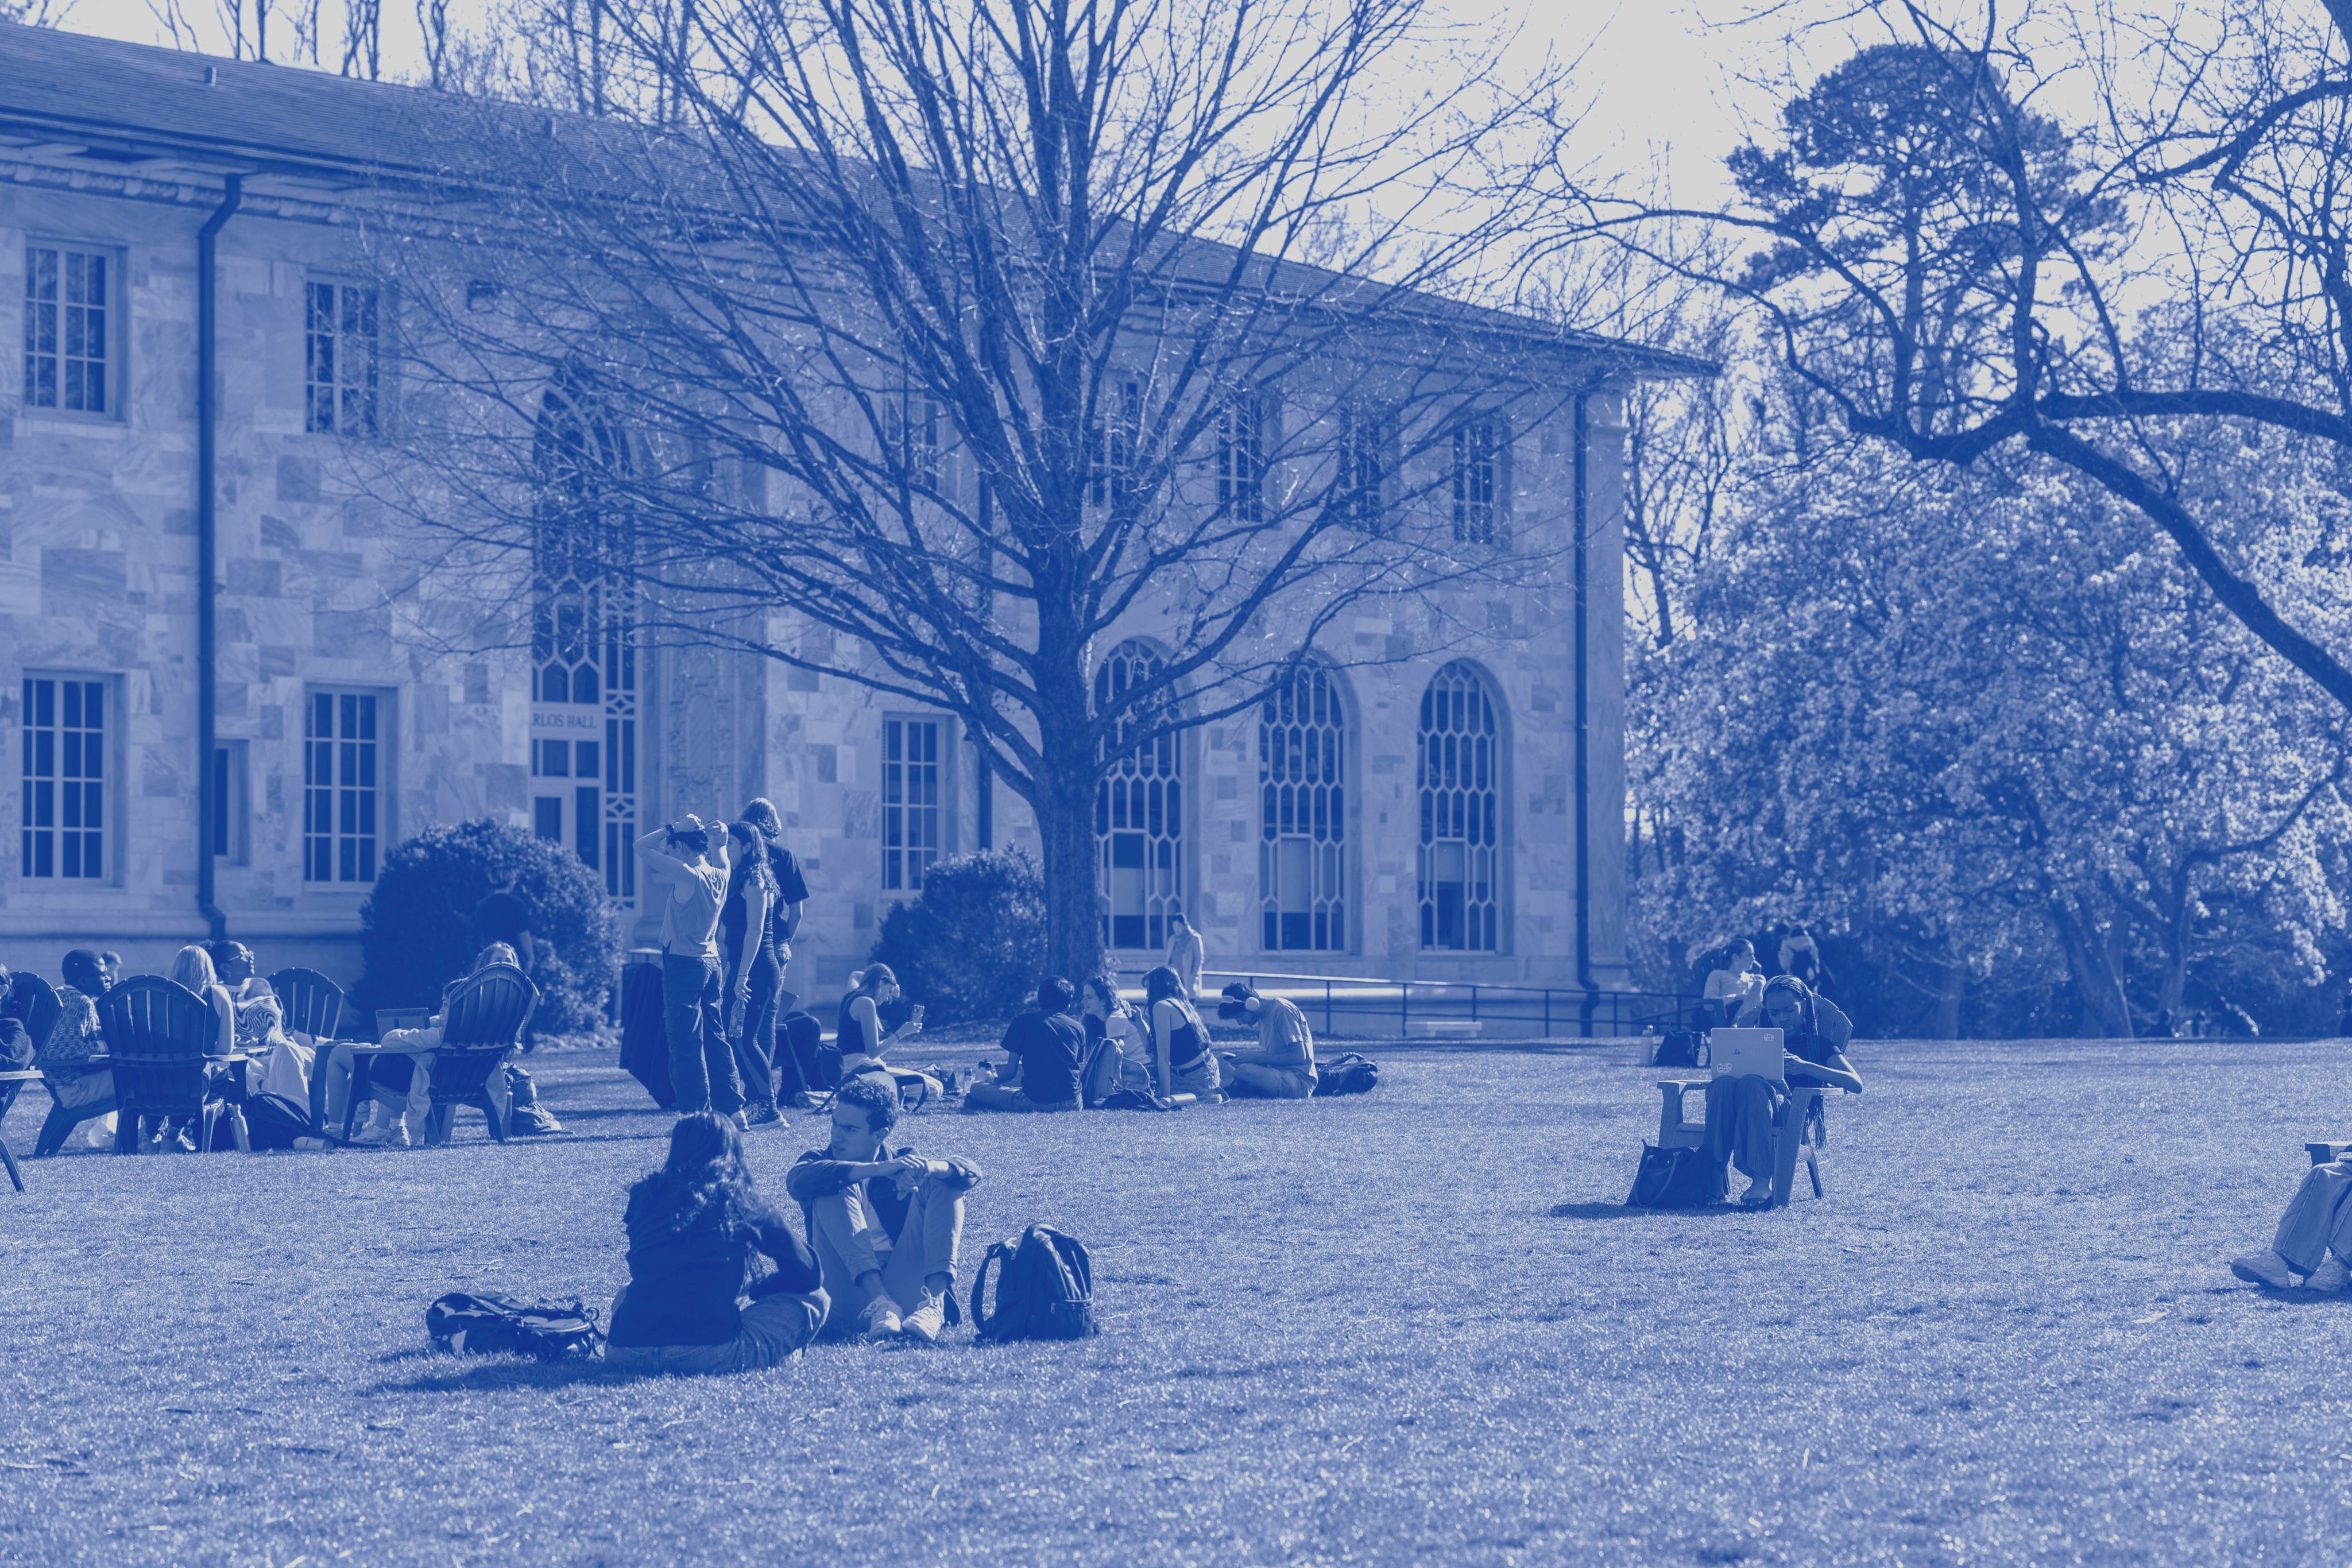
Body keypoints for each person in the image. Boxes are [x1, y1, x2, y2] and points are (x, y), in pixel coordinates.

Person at [604, 1112, 830, 1374]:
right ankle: (780, 1355)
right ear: (732, 1151)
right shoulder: (740, 1198)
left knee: (626, 1293)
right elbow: (809, 1275)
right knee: (817, 1298)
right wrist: (761, 1289)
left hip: (625, 1352)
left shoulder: (644, 1196)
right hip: (705, 1352)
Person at [786, 1076, 978, 1343]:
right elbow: (797, 1182)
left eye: (850, 1129)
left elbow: (971, 1172)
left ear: (880, 1135)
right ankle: (882, 1303)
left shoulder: (903, 1162)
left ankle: (933, 1306)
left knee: (944, 1182)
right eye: (834, 1124)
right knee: (833, 1183)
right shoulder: (818, 1161)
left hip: (907, 1291)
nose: (837, 1136)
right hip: (848, 1296)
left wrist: (930, 1168)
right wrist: (880, 1170)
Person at [323, 943, 520, 1148]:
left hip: (428, 1077)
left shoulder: (451, 1023)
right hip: (468, 1078)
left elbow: (395, 1039)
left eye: (508, 961)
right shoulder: (501, 1014)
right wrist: (438, 1020)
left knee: (340, 1053)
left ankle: (336, 1128)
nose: (504, 966)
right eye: (499, 961)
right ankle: (392, 1127)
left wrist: (414, 1030)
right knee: (395, 1055)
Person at [1703, 975, 1863, 1206]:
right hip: (1742, 1109)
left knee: (1752, 1083)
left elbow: (1855, 1083)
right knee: (1722, 1084)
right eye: (1774, 1013)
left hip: (1791, 1114)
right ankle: (1714, 1183)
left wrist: (1805, 1066)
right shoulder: (1755, 1041)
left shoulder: (1819, 1044)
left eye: (1790, 1010)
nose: (1782, 1018)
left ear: (1804, 1007)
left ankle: (1761, 1184)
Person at [637, 814, 745, 1121]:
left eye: (671, 849)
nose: (668, 855)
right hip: (712, 962)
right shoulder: (721, 874)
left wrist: (672, 827)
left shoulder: (688, 874)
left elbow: (641, 847)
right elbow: (721, 848)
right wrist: (720, 837)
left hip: (683, 963)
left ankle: (697, 1112)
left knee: (686, 1041)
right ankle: (734, 1110)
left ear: (682, 848)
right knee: (715, 1036)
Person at [740, 798, 813, 1098]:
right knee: (768, 1019)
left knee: (739, 1019)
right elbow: (797, 912)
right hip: (775, 945)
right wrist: (785, 940)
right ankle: (762, 1088)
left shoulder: (739, 852)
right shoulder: (785, 856)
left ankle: (744, 1086)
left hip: (738, 940)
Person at [718, 820, 786, 1128]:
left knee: (746, 1039)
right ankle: (758, 1102)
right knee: (736, 1037)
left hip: (758, 970)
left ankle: (769, 1108)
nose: (726, 848)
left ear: (747, 847)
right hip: (744, 968)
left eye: (731, 843)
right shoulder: (738, 877)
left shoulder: (756, 880)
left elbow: (755, 931)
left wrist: (742, 976)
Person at [155, 944, 239, 1152]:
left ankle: (151, 1136)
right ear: (208, 968)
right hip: (197, 1079)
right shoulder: (217, 994)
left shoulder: (161, 996)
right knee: (220, 1075)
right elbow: (225, 1048)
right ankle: (174, 1134)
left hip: (156, 1077)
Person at [965, 977, 1084, 1113]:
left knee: (976, 1088)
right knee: (1013, 1090)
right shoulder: (1078, 1028)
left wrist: (994, 1081)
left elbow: (1010, 1073)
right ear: (1068, 1006)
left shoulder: (1022, 1021)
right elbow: (1075, 1070)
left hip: (1035, 1102)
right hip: (1073, 1103)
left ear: (1039, 1001)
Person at [34, 948, 114, 1152]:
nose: (108, 978)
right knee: (143, 1076)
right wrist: (108, 1046)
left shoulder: (61, 996)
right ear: (84, 981)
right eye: (102, 974)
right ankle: (138, 1143)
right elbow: (67, 1052)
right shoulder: (81, 1002)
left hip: (65, 1085)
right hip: (75, 1089)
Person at [1214, 981, 1319, 1099]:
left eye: (1240, 1017)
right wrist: (1250, 1059)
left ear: (1251, 1004)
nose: (1240, 1023)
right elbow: (1274, 1057)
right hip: (1277, 1073)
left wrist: (1256, 1059)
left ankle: (1233, 1089)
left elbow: (1299, 1056)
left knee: (1244, 1071)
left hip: (1298, 1081)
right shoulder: (1262, 1017)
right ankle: (1236, 1088)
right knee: (1221, 1060)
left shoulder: (1282, 1010)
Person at [1142, 965, 1219, 1100]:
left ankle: (1200, 1097)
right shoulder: (1181, 1003)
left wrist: (1165, 1099)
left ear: (1157, 986)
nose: (1147, 994)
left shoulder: (1162, 1007)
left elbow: (1163, 1060)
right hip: (1208, 1070)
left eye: (1148, 988)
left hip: (1193, 1079)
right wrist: (1138, 1024)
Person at [834, 965, 922, 1075]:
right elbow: (874, 1052)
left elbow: (855, 975)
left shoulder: (851, 994)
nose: (888, 998)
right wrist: (902, 1032)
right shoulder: (866, 1003)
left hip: (852, 1067)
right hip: (861, 1069)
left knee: (929, 1083)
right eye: (889, 992)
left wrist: (888, 985)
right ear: (880, 983)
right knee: (934, 1087)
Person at [1080, 973, 1152, 1099]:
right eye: (1084, 997)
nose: (1083, 1002)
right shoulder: (1098, 1021)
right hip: (1133, 1071)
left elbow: (1111, 1062)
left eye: (1089, 997)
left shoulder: (1115, 1020)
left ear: (1104, 1001)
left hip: (1145, 1074)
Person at [1703, 940, 1765, 1031]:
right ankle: (1741, 1024)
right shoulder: (1718, 975)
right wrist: (1735, 997)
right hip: (1732, 1015)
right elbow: (1708, 1004)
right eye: (1749, 955)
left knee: (1761, 981)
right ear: (1736, 957)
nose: (1753, 959)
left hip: (1756, 1017)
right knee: (1760, 983)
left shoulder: (1755, 978)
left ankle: (1743, 1025)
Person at [1164, 913, 1205, 1002]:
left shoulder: (1194, 938)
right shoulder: (1172, 939)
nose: (1177, 929)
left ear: (1184, 925)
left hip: (1188, 975)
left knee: (1190, 1002)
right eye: (1174, 926)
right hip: (1175, 976)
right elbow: (1168, 957)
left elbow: (1199, 958)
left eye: (1179, 926)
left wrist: (1194, 973)